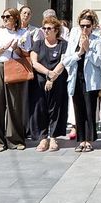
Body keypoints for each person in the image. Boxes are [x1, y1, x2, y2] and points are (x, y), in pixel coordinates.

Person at [0, 7, 31, 151]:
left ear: (15, 18)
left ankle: (15, 140)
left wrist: (16, 48)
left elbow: (26, 53)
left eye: (8, 17)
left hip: (15, 67)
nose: (4, 19)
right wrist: (3, 48)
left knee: (15, 105)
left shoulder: (24, 33)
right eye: (3, 16)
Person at [64, 9, 101, 153]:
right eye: (82, 25)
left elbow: (100, 62)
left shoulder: (97, 40)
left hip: (90, 80)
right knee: (78, 109)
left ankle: (89, 140)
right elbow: (67, 60)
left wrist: (88, 50)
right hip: (76, 78)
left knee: (89, 109)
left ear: (93, 25)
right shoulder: (73, 39)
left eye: (87, 25)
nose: (85, 28)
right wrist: (79, 52)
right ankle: (81, 140)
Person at [29, 15, 69, 151]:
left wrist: (52, 78)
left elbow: (63, 62)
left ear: (56, 30)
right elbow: (34, 62)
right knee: (40, 109)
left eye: (49, 28)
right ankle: (43, 138)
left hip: (58, 81)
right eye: (44, 28)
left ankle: (54, 138)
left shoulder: (63, 44)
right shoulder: (38, 44)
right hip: (40, 82)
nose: (46, 31)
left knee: (56, 109)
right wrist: (48, 74)